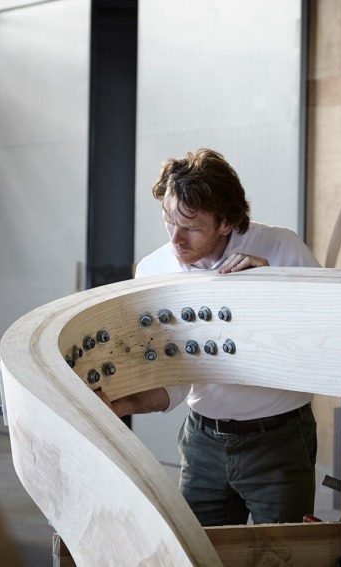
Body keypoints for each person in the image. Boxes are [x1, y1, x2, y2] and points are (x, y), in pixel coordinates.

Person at [96, 148, 322, 526]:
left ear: (226, 223)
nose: (175, 239)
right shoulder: (155, 270)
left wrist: (273, 286)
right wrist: (121, 404)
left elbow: (323, 339)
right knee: (201, 555)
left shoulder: (282, 249)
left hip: (278, 440)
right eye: (169, 221)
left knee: (284, 555)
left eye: (191, 228)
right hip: (202, 442)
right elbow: (177, 380)